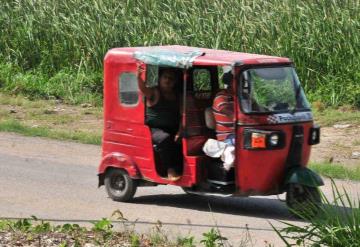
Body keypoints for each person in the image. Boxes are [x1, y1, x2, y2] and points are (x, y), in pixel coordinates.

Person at [137, 66, 182, 181]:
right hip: (154, 129)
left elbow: (183, 116)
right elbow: (143, 89)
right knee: (164, 138)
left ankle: (181, 168)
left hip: (172, 127)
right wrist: (138, 76)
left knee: (183, 139)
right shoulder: (154, 92)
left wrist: (180, 131)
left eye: (171, 79)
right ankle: (169, 169)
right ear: (160, 79)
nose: (167, 80)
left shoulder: (176, 96)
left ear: (175, 82)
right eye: (165, 77)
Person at [212, 71, 235, 145]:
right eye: (240, 80)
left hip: (243, 132)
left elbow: (257, 108)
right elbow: (229, 113)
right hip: (227, 136)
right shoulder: (221, 97)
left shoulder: (244, 96)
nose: (243, 82)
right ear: (231, 82)